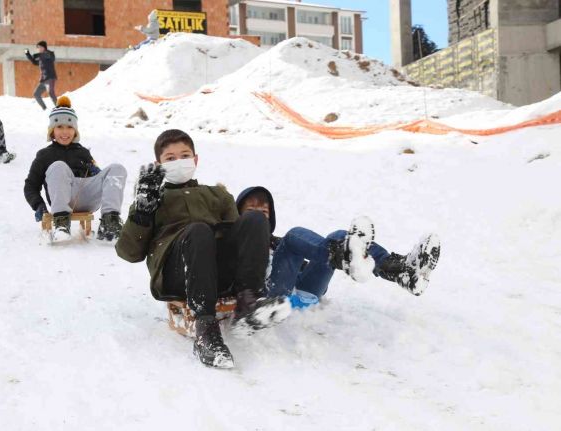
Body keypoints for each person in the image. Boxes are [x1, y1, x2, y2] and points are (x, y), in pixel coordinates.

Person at [115, 129, 291, 369]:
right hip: (177, 274)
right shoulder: (154, 200)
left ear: (195, 160)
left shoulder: (216, 195)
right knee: (197, 231)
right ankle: (206, 329)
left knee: (253, 218)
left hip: (218, 269)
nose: (179, 162)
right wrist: (143, 212)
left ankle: (248, 302)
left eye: (185, 155)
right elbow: (128, 252)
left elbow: (240, 235)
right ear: (159, 165)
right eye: (170, 158)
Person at [236, 187, 441, 302]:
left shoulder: (276, 244)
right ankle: (343, 255)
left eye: (264, 210)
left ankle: (402, 271)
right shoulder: (236, 244)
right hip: (267, 296)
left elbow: (302, 266)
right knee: (293, 236)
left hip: (303, 292)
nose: (260, 213)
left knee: (339, 236)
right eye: (252, 210)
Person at [24, 96, 127, 242]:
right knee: (58, 166)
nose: (65, 132)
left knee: (117, 169)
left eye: (69, 127)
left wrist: (95, 171)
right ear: (52, 130)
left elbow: (99, 177)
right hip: (62, 199)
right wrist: (38, 205)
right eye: (59, 127)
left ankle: (110, 222)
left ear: (75, 130)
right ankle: (61, 224)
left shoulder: (83, 152)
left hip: (87, 196)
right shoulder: (44, 155)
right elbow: (30, 186)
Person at [25, 41, 57, 110]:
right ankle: (45, 109)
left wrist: (38, 55)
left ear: (43, 47)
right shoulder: (41, 58)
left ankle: (59, 108)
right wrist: (27, 54)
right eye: (38, 48)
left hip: (50, 78)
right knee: (36, 94)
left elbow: (51, 57)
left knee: (51, 93)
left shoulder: (50, 54)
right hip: (43, 80)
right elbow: (34, 62)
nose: (38, 49)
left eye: (39, 47)